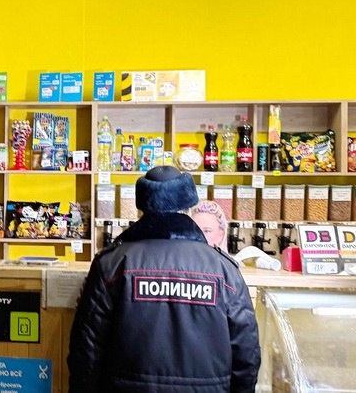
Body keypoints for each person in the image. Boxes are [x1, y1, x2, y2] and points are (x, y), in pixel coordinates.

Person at [68, 166, 260, 393]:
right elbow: (246, 352)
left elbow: (86, 349)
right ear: (189, 207)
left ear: (142, 208)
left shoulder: (112, 264)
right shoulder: (223, 269)